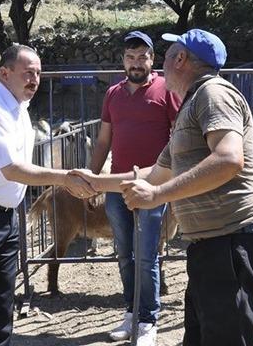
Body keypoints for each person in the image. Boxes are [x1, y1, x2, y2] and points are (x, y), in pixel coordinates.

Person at [74, 29, 253, 346]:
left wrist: (157, 195)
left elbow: (228, 159)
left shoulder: (214, 94)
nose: (161, 64)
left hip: (232, 244)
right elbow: (156, 173)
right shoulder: (191, 106)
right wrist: (97, 181)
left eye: (166, 55)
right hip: (210, 247)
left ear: (180, 59)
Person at [0, 44, 95, 346]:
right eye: (27, 73)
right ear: (4, 73)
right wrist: (64, 178)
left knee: (2, 300)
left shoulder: (19, 109)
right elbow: (11, 170)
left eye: (38, 73)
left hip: (5, 215)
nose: (34, 79)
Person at [89, 31, 180, 344]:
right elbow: (103, 140)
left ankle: (148, 320)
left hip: (152, 186)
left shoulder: (166, 89)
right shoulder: (113, 94)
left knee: (146, 255)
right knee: (125, 254)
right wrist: (91, 179)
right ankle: (131, 313)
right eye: (131, 57)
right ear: (123, 60)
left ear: (152, 59)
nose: (136, 63)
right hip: (117, 186)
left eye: (143, 57)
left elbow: (179, 137)